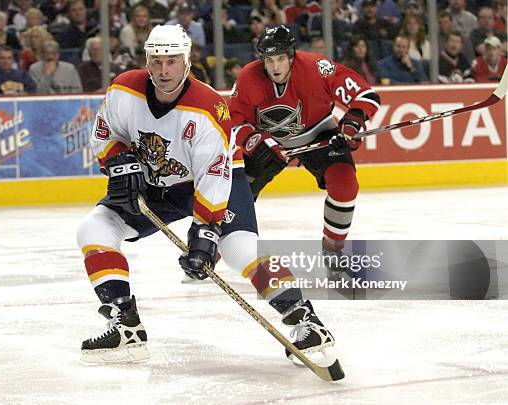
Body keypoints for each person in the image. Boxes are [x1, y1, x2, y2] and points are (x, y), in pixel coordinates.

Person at [76, 24, 339, 368]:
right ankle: (125, 324)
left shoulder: (208, 109)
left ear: (186, 62)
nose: (163, 70)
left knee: (237, 249)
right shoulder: (124, 89)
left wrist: (205, 233)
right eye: (156, 61)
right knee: (94, 230)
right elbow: (104, 131)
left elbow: (213, 176)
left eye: (172, 61)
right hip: (155, 185)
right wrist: (117, 161)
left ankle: (306, 320)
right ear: (147, 61)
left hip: (217, 181)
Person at [229, 25, 380, 262]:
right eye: (269, 60)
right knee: (236, 196)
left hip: (318, 133)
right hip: (268, 142)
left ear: (291, 56)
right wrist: (256, 142)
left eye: (280, 59)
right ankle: (208, 250)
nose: (275, 67)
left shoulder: (317, 68)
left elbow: (365, 95)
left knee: (345, 184)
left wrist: (351, 124)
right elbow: (234, 120)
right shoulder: (249, 77)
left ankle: (332, 252)